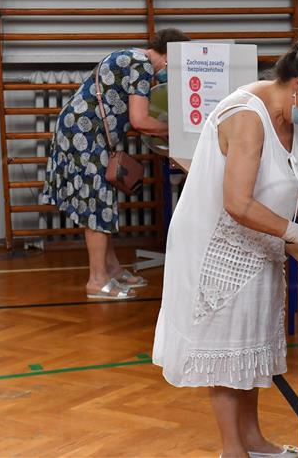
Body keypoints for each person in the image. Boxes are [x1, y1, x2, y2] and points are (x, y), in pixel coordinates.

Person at [153, 28, 298, 458]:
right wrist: (297, 234)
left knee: (248, 348)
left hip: (259, 247)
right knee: (226, 357)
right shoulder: (248, 115)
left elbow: (281, 181)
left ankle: (254, 440)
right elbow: (238, 202)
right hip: (221, 250)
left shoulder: (286, 112)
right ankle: (234, 451)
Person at [41, 28, 190, 299]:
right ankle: (97, 281)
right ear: (171, 55)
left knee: (103, 201)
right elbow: (140, 120)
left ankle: (111, 268)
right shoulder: (143, 66)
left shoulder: (134, 56)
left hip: (81, 132)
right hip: (84, 136)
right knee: (97, 204)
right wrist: (175, 130)